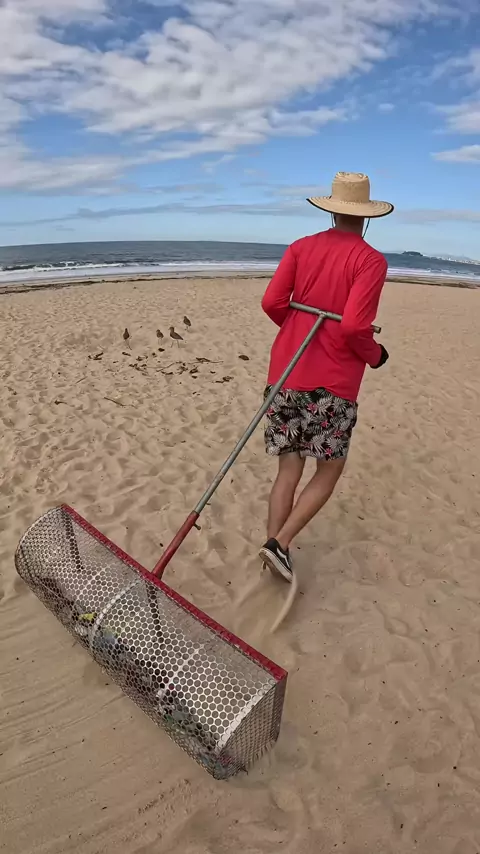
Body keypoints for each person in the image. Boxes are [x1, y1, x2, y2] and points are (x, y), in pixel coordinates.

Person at [259, 172, 393, 582]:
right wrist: (375, 355)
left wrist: (297, 327)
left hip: (286, 372)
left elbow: (272, 302)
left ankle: (273, 549)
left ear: (332, 211)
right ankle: (280, 545)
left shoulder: (301, 247)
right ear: (365, 217)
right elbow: (354, 327)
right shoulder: (370, 260)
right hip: (332, 383)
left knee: (289, 468)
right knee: (329, 469)